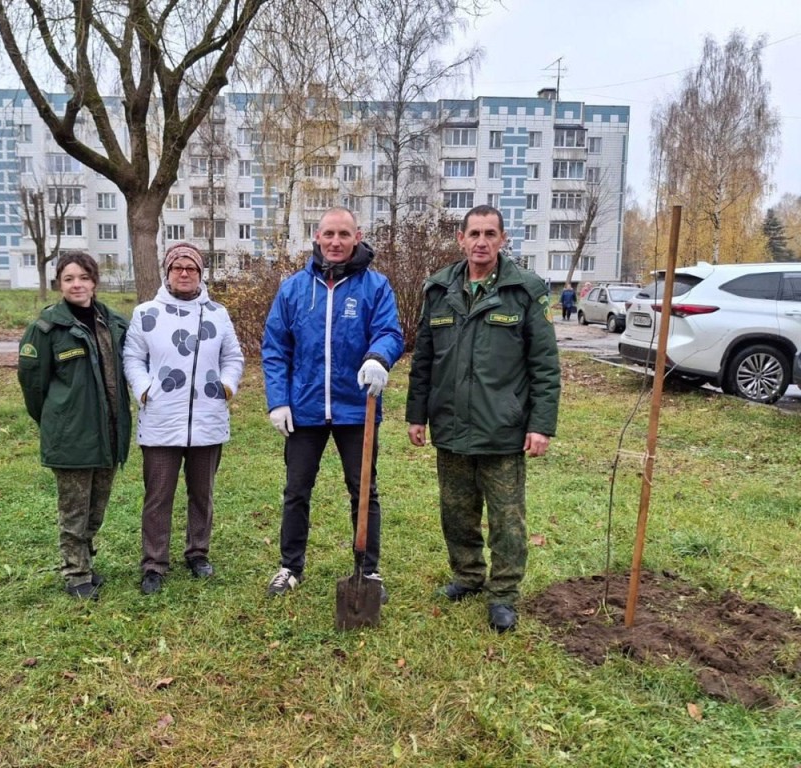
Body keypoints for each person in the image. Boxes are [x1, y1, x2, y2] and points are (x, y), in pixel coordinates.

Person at [405, 205, 560, 633]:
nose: (481, 242)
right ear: (460, 239)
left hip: (502, 428)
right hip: (451, 424)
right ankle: (468, 575)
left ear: (503, 239)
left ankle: (504, 594)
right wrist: (417, 415)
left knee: (507, 519)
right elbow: (424, 360)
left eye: (490, 234)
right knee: (456, 511)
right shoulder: (439, 289)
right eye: (474, 233)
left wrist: (540, 425)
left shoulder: (525, 291)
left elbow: (545, 365)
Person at [262, 207, 404, 601]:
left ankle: (368, 570)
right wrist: (278, 401)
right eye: (329, 234)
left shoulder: (375, 286)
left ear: (357, 237)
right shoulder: (294, 289)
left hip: (356, 408)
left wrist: (379, 357)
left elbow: (390, 331)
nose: (336, 242)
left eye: (344, 234)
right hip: (304, 408)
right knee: (296, 490)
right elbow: (275, 348)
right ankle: (290, 567)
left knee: (363, 490)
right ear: (317, 237)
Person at [123, 243, 244, 595]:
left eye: (192, 268)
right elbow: (133, 357)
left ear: (201, 274)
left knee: (202, 493)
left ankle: (197, 552)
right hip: (161, 420)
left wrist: (226, 386)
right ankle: (154, 563)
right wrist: (145, 389)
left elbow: (233, 356)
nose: (185, 273)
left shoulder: (217, 314)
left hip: (207, 419)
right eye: (178, 267)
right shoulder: (146, 313)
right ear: (168, 272)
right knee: (158, 496)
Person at [18, 251, 132, 601]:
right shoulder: (45, 330)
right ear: (59, 284)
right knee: (74, 511)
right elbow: (33, 388)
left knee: (96, 509)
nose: (77, 285)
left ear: (94, 281)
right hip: (72, 436)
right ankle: (76, 573)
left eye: (83, 277)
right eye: (69, 279)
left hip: (109, 433)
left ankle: (85, 561)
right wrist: (61, 421)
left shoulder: (114, 323)